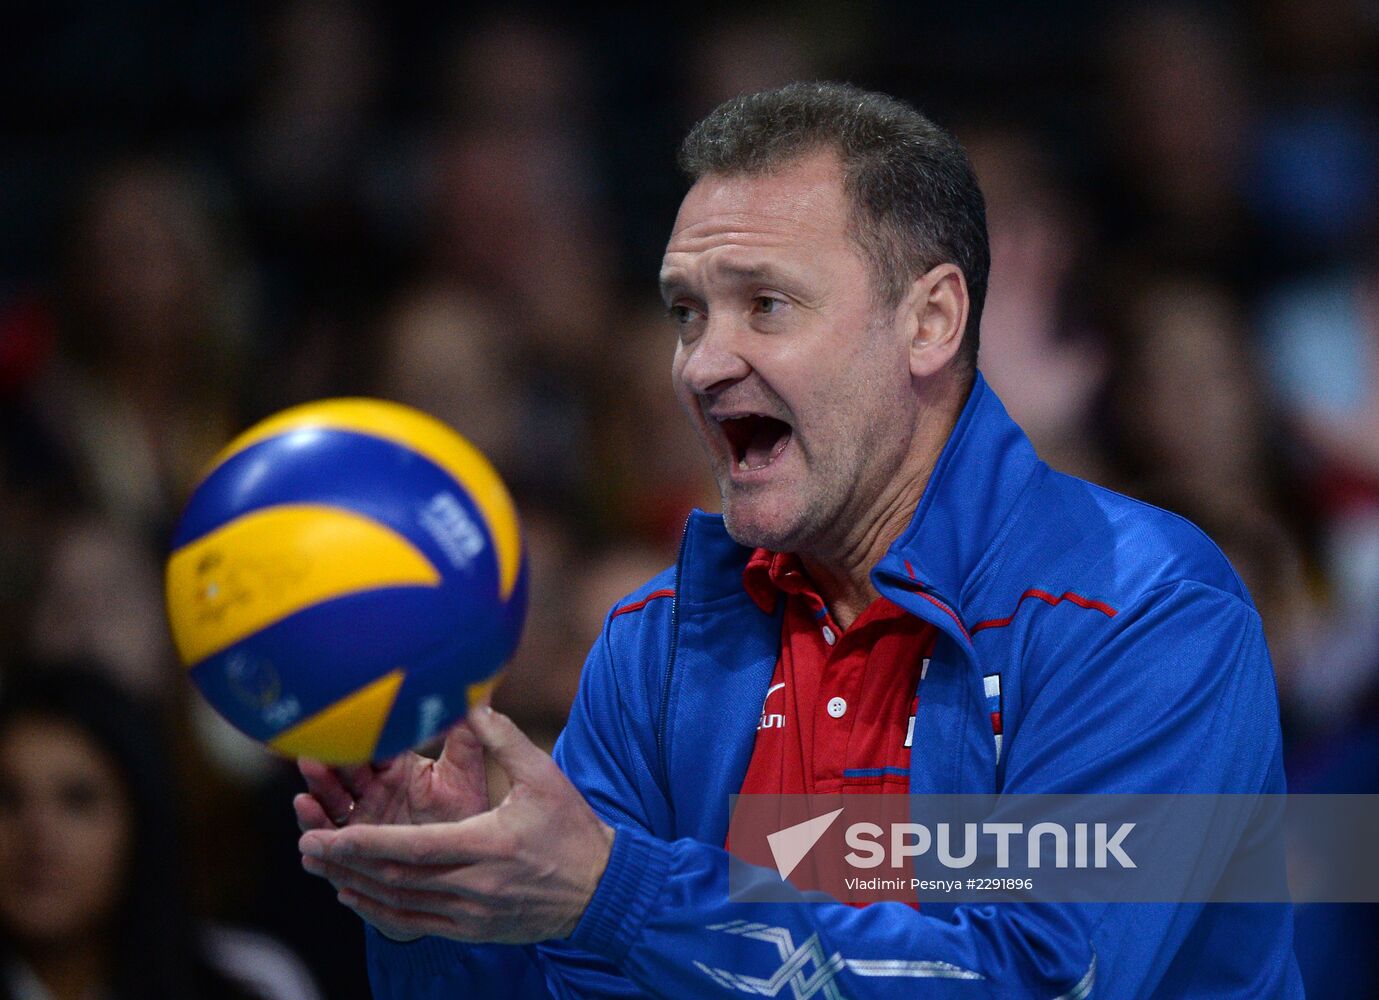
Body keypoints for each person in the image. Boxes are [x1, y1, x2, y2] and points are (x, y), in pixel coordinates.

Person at [294, 82, 1302, 997]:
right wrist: (446, 904)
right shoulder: (654, 646)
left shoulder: (1143, 611)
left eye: (764, 303)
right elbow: (571, 974)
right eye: (687, 312)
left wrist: (618, 889)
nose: (697, 364)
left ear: (930, 320)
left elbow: (1038, 979)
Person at [0, 665, 323, 1000]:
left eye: (78, 800)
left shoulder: (254, 983)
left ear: (141, 820)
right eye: (7, 797)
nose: (37, 833)